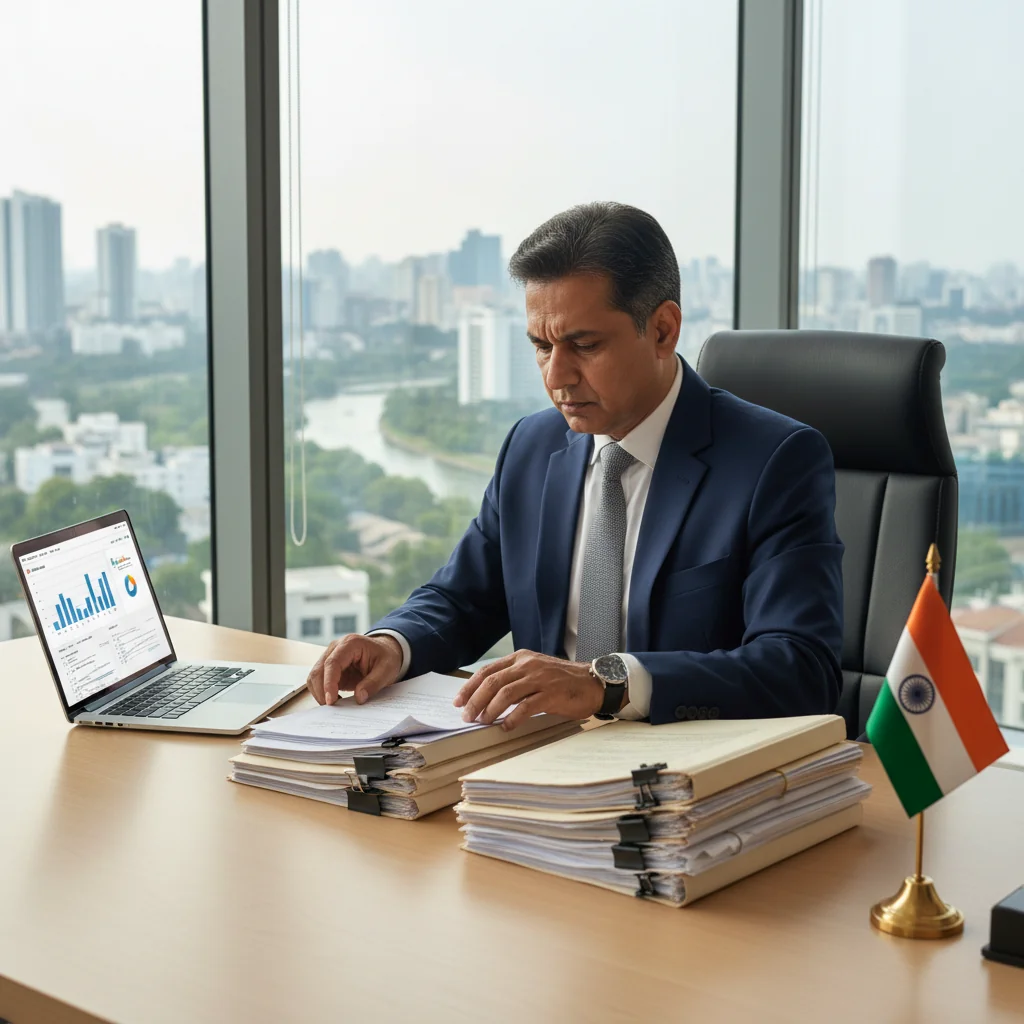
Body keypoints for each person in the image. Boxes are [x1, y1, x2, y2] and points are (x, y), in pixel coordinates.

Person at [306, 202, 844, 729]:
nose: (556, 376)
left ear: (662, 330)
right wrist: (391, 644)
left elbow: (800, 668)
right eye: (541, 346)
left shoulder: (775, 461)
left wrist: (605, 683)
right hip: (538, 762)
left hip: (683, 773)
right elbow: (463, 597)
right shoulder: (531, 446)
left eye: (583, 345)